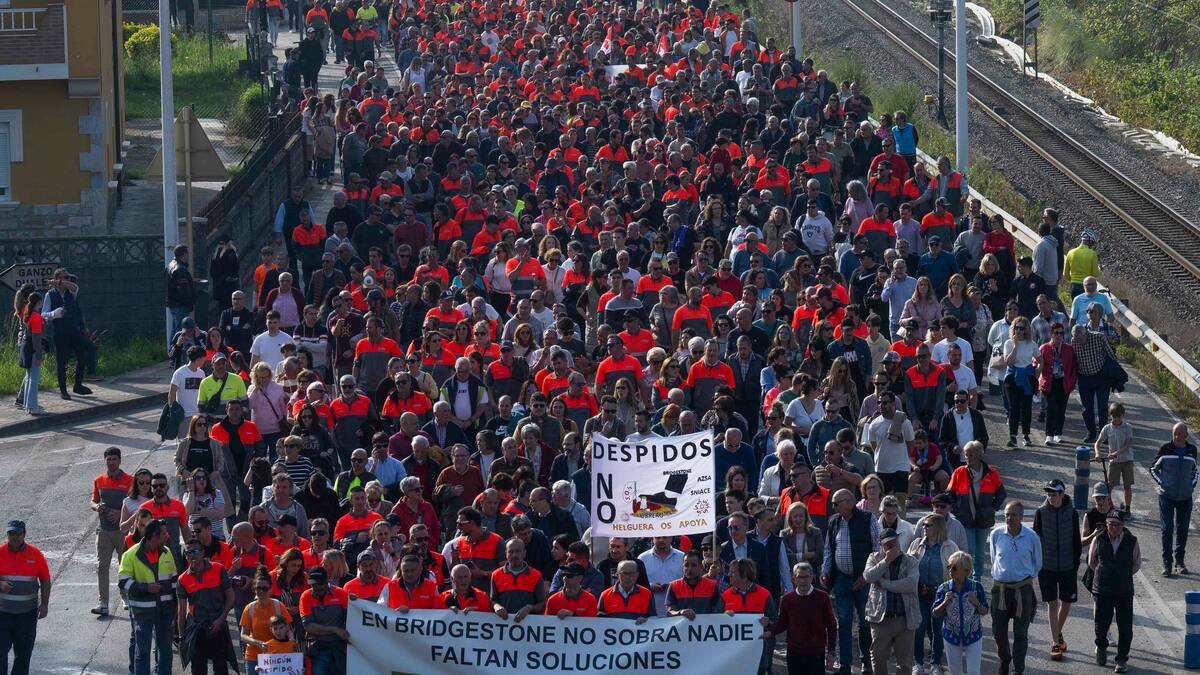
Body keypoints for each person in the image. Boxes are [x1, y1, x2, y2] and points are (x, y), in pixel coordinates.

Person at [821, 489, 879, 675]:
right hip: (841, 579)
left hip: (863, 579)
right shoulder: (834, 522)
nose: (834, 507)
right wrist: (825, 570)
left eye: (836, 503)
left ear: (849, 502)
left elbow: (877, 549)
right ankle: (845, 664)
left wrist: (866, 576)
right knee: (844, 621)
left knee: (864, 622)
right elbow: (829, 549)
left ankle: (866, 662)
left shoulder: (868, 519)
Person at [989, 501, 1042, 675]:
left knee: (1021, 633)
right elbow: (993, 559)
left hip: (1023, 590)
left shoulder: (1031, 536)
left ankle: (1018, 669)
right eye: (1006, 514)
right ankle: (1005, 659)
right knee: (998, 630)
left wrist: (1023, 578)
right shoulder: (997, 534)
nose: (1009, 518)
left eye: (1013, 515)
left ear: (1021, 516)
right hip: (1000, 590)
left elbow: (1037, 563)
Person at [119, 518, 177, 675]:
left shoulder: (167, 552)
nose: (168, 536)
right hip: (142, 613)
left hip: (165, 611)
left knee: (165, 651)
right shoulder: (130, 555)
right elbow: (123, 581)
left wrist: (176, 609)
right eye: (164, 533)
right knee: (142, 652)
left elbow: (173, 581)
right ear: (154, 536)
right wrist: (146, 588)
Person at [1032, 479, 1081, 662]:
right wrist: (1037, 564)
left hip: (1068, 566)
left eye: (1054, 494)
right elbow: (1035, 539)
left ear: (1062, 494)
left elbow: (1076, 540)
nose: (1051, 497)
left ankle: (1057, 632)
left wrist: (1076, 564)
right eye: (1049, 494)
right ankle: (1055, 642)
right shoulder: (1041, 512)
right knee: (1052, 604)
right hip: (1047, 567)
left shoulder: (1072, 512)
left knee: (1066, 602)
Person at [1088, 511, 1139, 673]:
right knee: (1101, 624)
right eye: (1111, 524)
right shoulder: (1099, 539)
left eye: (1117, 524)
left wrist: (1122, 575)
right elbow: (1092, 562)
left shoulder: (1132, 541)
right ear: (1106, 524)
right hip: (1103, 589)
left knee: (1125, 627)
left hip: (1124, 591)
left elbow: (1136, 564)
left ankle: (1122, 659)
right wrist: (1105, 574)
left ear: (1123, 526)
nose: (1114, 528)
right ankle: (1101, 648)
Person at [174, 540, 234, 675]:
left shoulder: (218, 569)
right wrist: (182, 636)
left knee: (221, 668)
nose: (191, 556)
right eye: (187, 553)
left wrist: (221, 619)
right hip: (196, 629)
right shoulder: (182, 579)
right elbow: (182, 610)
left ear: (202, 553)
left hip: (218, 627)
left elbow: (231, 597)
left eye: (194, 551)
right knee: (198, 670)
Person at [864, 527, 919, 675]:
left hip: (905, 619)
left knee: (905, 663)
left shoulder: (910, 561)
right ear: (881, 546)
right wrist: (887, 560)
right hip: (881, 619)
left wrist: (885, 584)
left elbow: (911, 584)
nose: (893, 546)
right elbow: (868, 577)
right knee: (878, 658)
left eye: (895, 542)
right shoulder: (874, 558)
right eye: (888, 544)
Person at [765, 562, 836, 675]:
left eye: (806, 577)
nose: (803, 581)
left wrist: (831, 652)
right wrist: (770, 630)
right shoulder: (787, 599)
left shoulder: (823, 597)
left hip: (816, 652)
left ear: (812, 577)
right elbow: (783, 623)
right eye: (799, 577)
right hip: (794, 652)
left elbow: (831, 626)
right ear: (794, 578)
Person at [946, 442, 1005, 578]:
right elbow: (949, 495)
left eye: (970, 454)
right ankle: (967, 577)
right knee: (969, 549)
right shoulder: (959, 472)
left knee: (979, 552)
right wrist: (957, 511)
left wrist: (992, 509)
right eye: (965, 455)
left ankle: (976, 578)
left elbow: (1001, 494)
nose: (967, 457)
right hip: (965, 518)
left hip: (984, 519)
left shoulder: (991, 472)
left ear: (979, 455)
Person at [1150, 421, 1197, 576]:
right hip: (1167, 496)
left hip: (1185, 497)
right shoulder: (1165, 449)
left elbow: (1195, 471)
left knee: (1183, 530)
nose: (1177, 437)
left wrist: (1191, 485)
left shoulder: (1192, 450)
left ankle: (1180, 562)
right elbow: (1153, 468)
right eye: (1175, 433)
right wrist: (1162, 482)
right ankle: (1167, 563)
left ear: (1186, 435)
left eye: (1180, 434)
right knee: (1167, 529)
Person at [91, 446, 133, 616]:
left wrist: (120, 512)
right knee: (102, 567)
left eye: (114, 459)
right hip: (104, 531)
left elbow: (136, 502)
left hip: (123, 532)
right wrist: (97, 506)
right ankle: (103, 603)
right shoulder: (99, 480)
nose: (111, 462)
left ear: (120, 460)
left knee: (125, 566)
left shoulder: (130, 480)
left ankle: (126, 596)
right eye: (108, 459)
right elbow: (93, 501)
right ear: (105, 461)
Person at [933, 551, 988, 675]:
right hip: (951, 636)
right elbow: (935, 613)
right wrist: (944, 603)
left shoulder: (976, 587)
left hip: (973, 636)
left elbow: (985, 611)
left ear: (966, 570)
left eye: (955, 568)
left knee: (974, 671)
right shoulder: (944, 588)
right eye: (949, 567)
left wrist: (977, 603)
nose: (950, 571)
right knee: (954, 672)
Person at [298, 566, 350, 675]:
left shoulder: (341, 594)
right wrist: (335, 630)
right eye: (313, 585)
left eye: (320, 584)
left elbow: (351, 619)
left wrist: (356, 603)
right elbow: (308, 626)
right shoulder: (306, 596)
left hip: (340, 648)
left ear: (327, 581)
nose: (317, 587)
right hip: (318, 648)